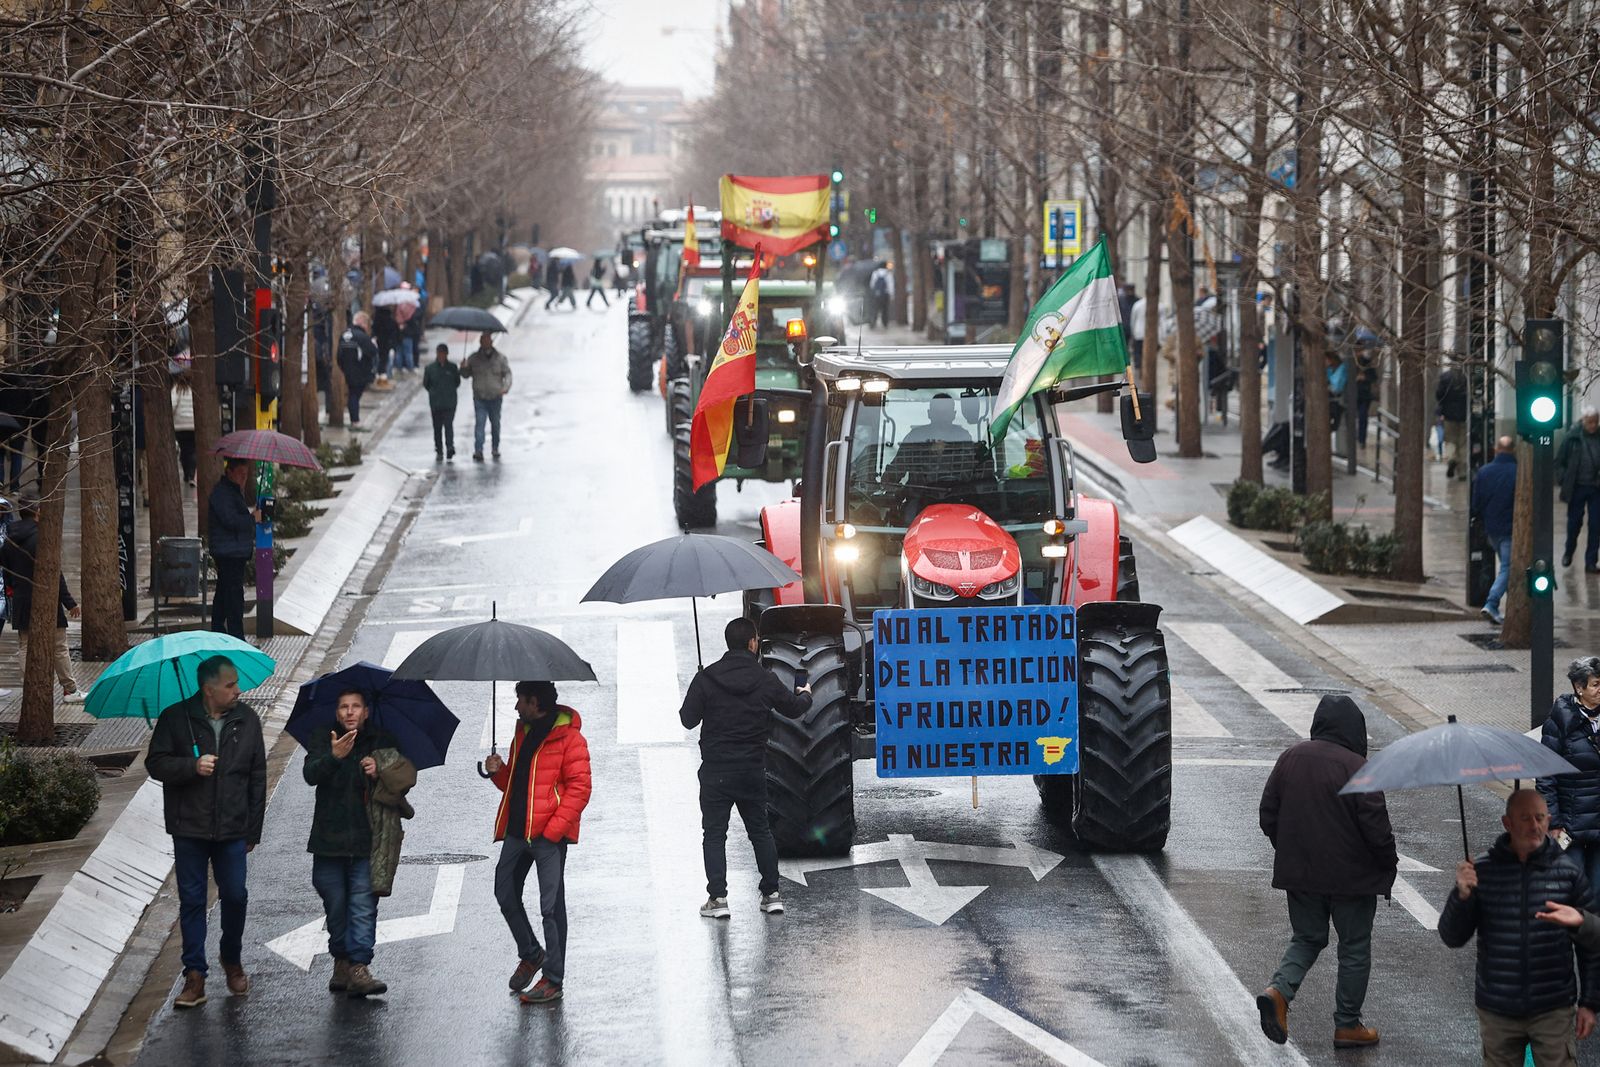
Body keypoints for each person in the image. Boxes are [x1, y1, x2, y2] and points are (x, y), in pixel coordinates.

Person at [1256, 694, 1395, 1049]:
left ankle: (1278, 991)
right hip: (1353, 880)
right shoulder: (1358, 767)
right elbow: (1376, 828)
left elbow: (1267, 813)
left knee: (1307, 937)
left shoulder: (1290, 757)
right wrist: (1387, 866)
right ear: (1356, 730)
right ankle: (1348, 1025)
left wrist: (1289, 849)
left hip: (1300, 874)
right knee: (1354, 947)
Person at [1440, 789, 1600, 1065]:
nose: (1535, 826)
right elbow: (1452, 937)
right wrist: (1461, 896)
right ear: (1507, 823)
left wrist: (1589, 1003)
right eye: (1525, 818)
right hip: (1497, 1009)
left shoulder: (1568, 873)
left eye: (1540, 817)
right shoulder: (1482, 872)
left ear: (1549, 820)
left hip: (1553, 1008)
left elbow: (1592, 947)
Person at [144, 656, 267, 1009]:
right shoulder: (175, 718)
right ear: (208, 690)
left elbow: (257, 776)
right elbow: (155, 763)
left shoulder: (247, 719)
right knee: (193, 901)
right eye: (230, 685)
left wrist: (252, 830)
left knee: (235, 896)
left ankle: (231, 958)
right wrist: (191, 766)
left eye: (236, 684)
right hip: (190, 828)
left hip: (232, 828)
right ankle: (194, 975)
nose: (238, 690)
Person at [679, 617, 812, 919]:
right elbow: (793, 708)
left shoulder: (707, 678)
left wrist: (699, 681)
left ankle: (718, 898)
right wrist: (805, 692)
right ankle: (772, 894)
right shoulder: (765, 679)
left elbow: (687, 719)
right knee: (760, 831)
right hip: (751, 769)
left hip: (715, 772)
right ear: (753, 643)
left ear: (728, 643)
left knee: (714, 834)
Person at [483, 680, 592, 1005]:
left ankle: (553, 979)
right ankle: (531, 953)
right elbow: (517, 784)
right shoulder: (523, 732)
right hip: (517, 833)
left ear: (535, 702)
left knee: (550, 908)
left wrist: (553, 831)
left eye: (520, 701)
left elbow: (580, 789)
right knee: (505, 894)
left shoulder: (570, 738)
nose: (516, 707)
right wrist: (498, 771)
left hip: (548, 838)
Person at [303, 687, 409, 998]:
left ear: (365, 711)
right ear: (336, 712)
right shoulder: (324, 737)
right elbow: (310, 774)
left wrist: (381, 770)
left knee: (363, 905)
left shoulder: (382, 740)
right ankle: (341, 959)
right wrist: (334, 757)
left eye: (356, 706)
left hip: (369, 840)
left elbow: (404, 778)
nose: (350, 712)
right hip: (328, 840)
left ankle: (360, 966)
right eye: (343, 706)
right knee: (335, 906)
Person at [0, 495, 82, 700]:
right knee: (59, 645)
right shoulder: (43, 539)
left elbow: (5, 569)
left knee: (25, 644)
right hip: (46, 597)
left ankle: (30, 689)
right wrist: (69, 602)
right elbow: (55, 573)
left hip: (21, 598)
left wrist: (12, 588)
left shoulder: (9, 539)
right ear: (38, 512)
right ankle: (70, 689)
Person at [1538, 657, 1600, 886]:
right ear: (1579, 687)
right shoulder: (1559, 722)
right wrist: (1553, 822)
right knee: (1574, 889)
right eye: (1595, 684)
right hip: (1569, 825)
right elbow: (1546, 775)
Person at [207, 459, 258, 639]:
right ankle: (236, 637)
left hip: (233, 551)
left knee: (223, 594)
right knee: (234, 597)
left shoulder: (233, 492)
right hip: (228, 552)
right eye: (240, 475)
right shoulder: (222, 493)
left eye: (246, 475)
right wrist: (252, 519)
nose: (244, 479)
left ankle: (218, 633)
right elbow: (230, 520)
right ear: (230, 472)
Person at [1472, 436, 1518, 624]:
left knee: (1507, 566)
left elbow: (1477, 503)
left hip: (1492, 529)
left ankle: (1511, 606)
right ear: (1513, 450)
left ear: (1496, 450)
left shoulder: (1484, 472)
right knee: (1508, 567)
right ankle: (1492, 603)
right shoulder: (1518, 472)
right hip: (1509, 528)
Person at [884, 393, 974, 485]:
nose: (942, 417)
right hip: (919, 496)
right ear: (929, 413)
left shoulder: (963, 437)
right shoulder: (915, 437)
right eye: (938, 413)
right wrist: (887, 483)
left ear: (953, 414)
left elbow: (969, 471)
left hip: (957, 496)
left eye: (945, 413)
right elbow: (897, 468)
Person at [1558, 406, 1600, 572]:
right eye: (1590, 422)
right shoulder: (1572, 438)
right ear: (1583, 421)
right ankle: (1569, 551)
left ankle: (1590, 561)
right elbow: (1559, 461)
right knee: (1574, 523)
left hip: (1596, 488)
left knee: (1596, 525)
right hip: (1577, 487)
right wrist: (1564, 479)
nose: (1593, 425)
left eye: (1596, 422)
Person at [460, 332, 512, 462]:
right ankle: (478, 449)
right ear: (480, 342)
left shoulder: (500, 358)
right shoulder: (473, 358)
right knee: (480, 424)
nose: (486, 343)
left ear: (491, 342)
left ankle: (495, 447)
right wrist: (463, 368)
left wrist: (505, 388)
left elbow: (508, 374)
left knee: (495, 424)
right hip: (480, 397)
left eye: (488, 340)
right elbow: (466, 375)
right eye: (483, 340)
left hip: (495, 397)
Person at [336, 313, 378, 427]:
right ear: (362, 322)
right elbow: (372, 351)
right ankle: (355, 420)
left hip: (347, 369)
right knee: (354, 395)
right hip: (359, 370)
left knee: (352, 394)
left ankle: (354, 419)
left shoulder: (344, 334)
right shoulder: (362, 336)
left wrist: (343, 368)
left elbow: (339, 355)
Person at [423, 343, 461, 461]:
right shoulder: (430, 368)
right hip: (436, 403)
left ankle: (450, 446)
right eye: (439, 353)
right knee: (437, 427)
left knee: (448, 425)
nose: (441, 356)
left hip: (449, 402)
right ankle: (439, 449)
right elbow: (426, 384)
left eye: (443, 353)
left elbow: (457, 382)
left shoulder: (453, 368)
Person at [1436, 360, 1470, 481]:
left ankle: (1452, 459)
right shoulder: (1466, 377)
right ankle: (1462, 471)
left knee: (1450, 440)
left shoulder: (1445, 377)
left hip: (1448, 414)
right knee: (1463, 442)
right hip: (1464, 415)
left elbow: (1439, 394)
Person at [172, 372, 196, 486]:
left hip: (180, 426)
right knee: (192, 450)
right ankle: (191, 474)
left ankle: (187, 473)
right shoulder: (194, 390)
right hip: (193, 425)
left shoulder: (176, 389)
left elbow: (172, 404)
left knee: (184, 449)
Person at [870, 261, 892, 328]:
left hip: (876, 295)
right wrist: (891, 294)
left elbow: (872, 284)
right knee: (885, 310)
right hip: (885, 295)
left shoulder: (875, 273)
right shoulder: (888, 274)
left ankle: (873, 323)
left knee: (875, 309)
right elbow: (890, 285)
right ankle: (885, 323)